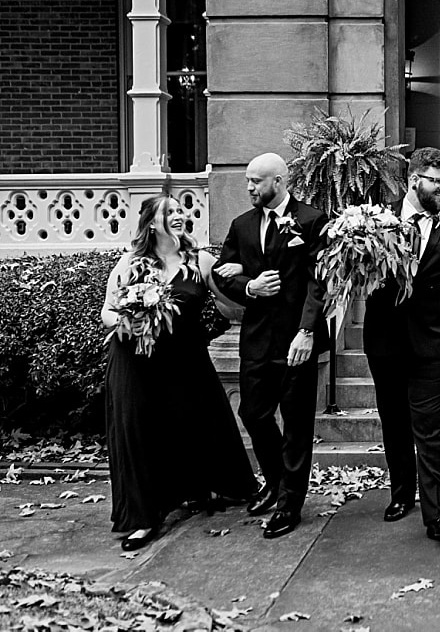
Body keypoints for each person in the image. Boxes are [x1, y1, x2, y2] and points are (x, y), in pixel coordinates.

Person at [102, 195, 258, 551]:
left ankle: (203, 489)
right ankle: (143, 519)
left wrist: (254, 288)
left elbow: (230, 297)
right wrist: (127, 322)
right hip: (136, 362)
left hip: (184, 360)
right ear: (152, 223)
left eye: (179, 210)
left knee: (198, 422)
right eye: (168, 212)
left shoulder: (199, 260)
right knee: (139, 433)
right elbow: (107, 312)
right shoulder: (132, 263)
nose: (178, 215)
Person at [362, 147, 440, 542]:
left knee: (431, 426)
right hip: (385, 341)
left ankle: (438, 516)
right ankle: (402, 494)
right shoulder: (375, 221)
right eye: (436, 181)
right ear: (415, 179)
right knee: (395, 421)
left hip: (433, 344)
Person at [215, 153, 329, 540]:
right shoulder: (241, 225)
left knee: (297, 424)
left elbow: (319, 283)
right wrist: (249, 286)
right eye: (247, 180)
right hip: (257, 338)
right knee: (253, 412)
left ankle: (289, 504)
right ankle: (280, 483)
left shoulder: (312, 221)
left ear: (279, 181)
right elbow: (223, 271)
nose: (249, 188)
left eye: (257, 182)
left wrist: (307, 331)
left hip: (297, 338)